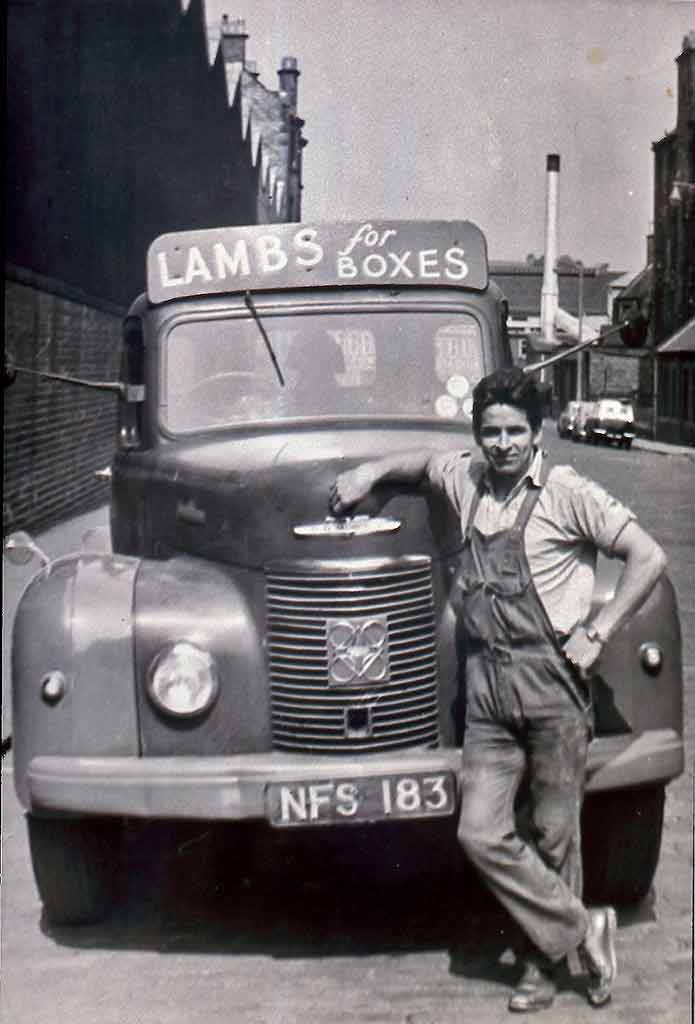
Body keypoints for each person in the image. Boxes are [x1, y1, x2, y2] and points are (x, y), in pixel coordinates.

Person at [329, 367, 666, 1013]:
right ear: (477, 435)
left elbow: (647, 556)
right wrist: (370, 473)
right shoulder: (466, 478)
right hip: (485, 688)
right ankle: (581, 928)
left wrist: (598, 629)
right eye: (491, 431)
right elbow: (424, 461)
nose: (503, 443)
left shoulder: (567, 492)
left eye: (515, 430)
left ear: (537, 433)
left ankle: (545, 966)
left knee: (551, 833)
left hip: (549, 687)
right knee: (479, 832)